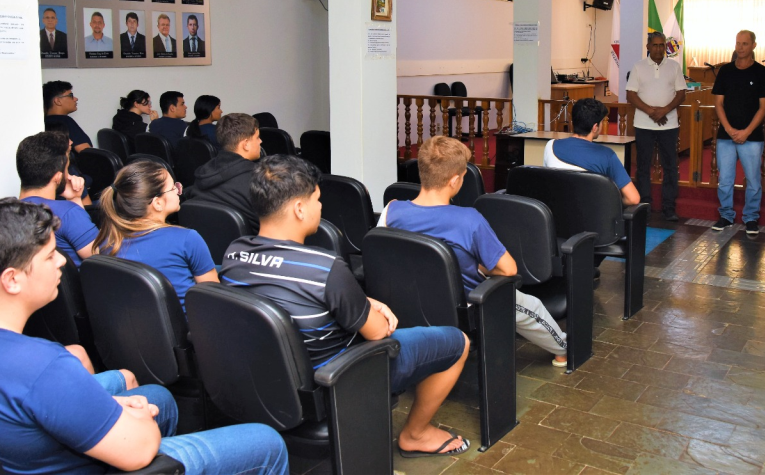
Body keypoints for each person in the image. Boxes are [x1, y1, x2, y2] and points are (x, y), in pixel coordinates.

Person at [0, 198, 289, 475]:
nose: (62, 260)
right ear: (12, 280)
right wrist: (139, 419)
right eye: (49, 255)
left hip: (17, 454)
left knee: (160, 397)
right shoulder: (44, 365)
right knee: (267, 442)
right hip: (107, 460)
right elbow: (138, 449)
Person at [222, 155, 471, 458]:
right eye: (316, 199)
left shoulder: (234, 254)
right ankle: (416, 434)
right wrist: (374, 310)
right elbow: (379, 333)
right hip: (340, 376)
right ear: (299, 209)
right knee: (459, 342)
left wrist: (363, 299)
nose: (321, 206)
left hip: (271, 378)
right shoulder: (324, 268)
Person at [380, 136, 569, 367]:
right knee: (530, 305)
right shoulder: (469, 220)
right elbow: (509, 270)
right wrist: (478, 265)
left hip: (409, 300)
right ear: (455, 180)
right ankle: (563, 349)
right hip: (464, 305)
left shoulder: (391, 210)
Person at [92, 160, 218, 308]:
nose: (179, 190)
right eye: (173, 188)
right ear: (157, 203)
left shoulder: (107, 242)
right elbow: (213, 298)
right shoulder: (187, 239)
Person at [712, 30, 765, 236]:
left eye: (745, 44)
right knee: (725, 179)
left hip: (752, 137)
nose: (740, 47)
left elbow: (764, 106)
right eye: (738, 43)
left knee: (753, 180)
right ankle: (726, 215)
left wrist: (746, 132)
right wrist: (730, 130)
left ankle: (751, 218)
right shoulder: (725, 71)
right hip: (726, 135)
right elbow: (718, 103)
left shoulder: (761, 72)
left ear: (753, 46)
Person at [625, 32, 687, 221]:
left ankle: (669, 208)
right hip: (644, 125)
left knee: (670, 167)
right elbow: (631, 95)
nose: (659, 49)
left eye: (662, 45)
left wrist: (665, 110)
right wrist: (652, 112)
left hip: (669, 125)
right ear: (648, 47)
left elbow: (681, 93)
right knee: (643, 166)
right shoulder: (638, 67)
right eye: (656, 45)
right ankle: (645, 206)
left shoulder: (674, 67)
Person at [16, 131, 98, 266]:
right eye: (67, 169)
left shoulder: (7, 214)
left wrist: (75, 199)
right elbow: (102, 256)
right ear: (58, 177)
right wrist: (75, 202)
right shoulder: (67, 213)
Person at [543, 97, 641, 206]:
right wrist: (611, 205)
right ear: (595, 127)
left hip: (556, 218)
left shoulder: (550, 146)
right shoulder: (607, 155)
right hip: (592, 219)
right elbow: (633, 199)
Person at [185, 113, 263, 232]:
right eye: (257, 137)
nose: (260, 141)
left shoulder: (203, 174)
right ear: (245, 144)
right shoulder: (257, 181)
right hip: (249, 248)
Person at [43, 81, 91, 152]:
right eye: (70, 95)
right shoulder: (66, 121)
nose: (75, 99)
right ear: (58, 101)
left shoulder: (44, 122)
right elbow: (87, 153)